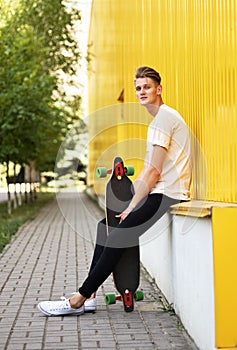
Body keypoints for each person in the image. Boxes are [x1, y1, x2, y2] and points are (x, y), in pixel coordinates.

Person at [38, 66, 192, 316]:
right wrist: (130, 206)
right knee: (106, 226)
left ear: (159, 89)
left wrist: (131, 207)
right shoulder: (160, 119)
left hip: (168, 193)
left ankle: (79, 297)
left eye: (147, 87)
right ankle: (91, 297)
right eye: (138, 88)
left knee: (119, 237)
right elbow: (149, 171)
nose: (142, 92)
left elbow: (153, 172)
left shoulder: (163, 120)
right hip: (163, 190)